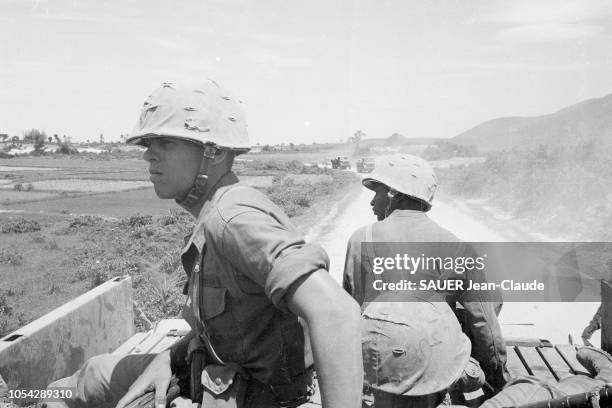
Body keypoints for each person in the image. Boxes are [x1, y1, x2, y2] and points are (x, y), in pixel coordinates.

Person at [40, 80, 362, 408]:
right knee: (93, 375)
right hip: (216, 371)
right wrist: (167, 357)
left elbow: (336, 312)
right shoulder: (218, 213)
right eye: (148, 143)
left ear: (215, 152)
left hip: (250, 394)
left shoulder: (232, 218)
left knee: (76, 392)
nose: (149, 154)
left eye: (165, 142)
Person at [342, 154, 508, 404]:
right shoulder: (459, 249)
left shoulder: (360, 239)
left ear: (392, 194)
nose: (372, 202)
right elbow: (486, 327)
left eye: (376, 193)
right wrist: (498, 380)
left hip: (374, 371)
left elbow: (349, 312)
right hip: (430, 373)